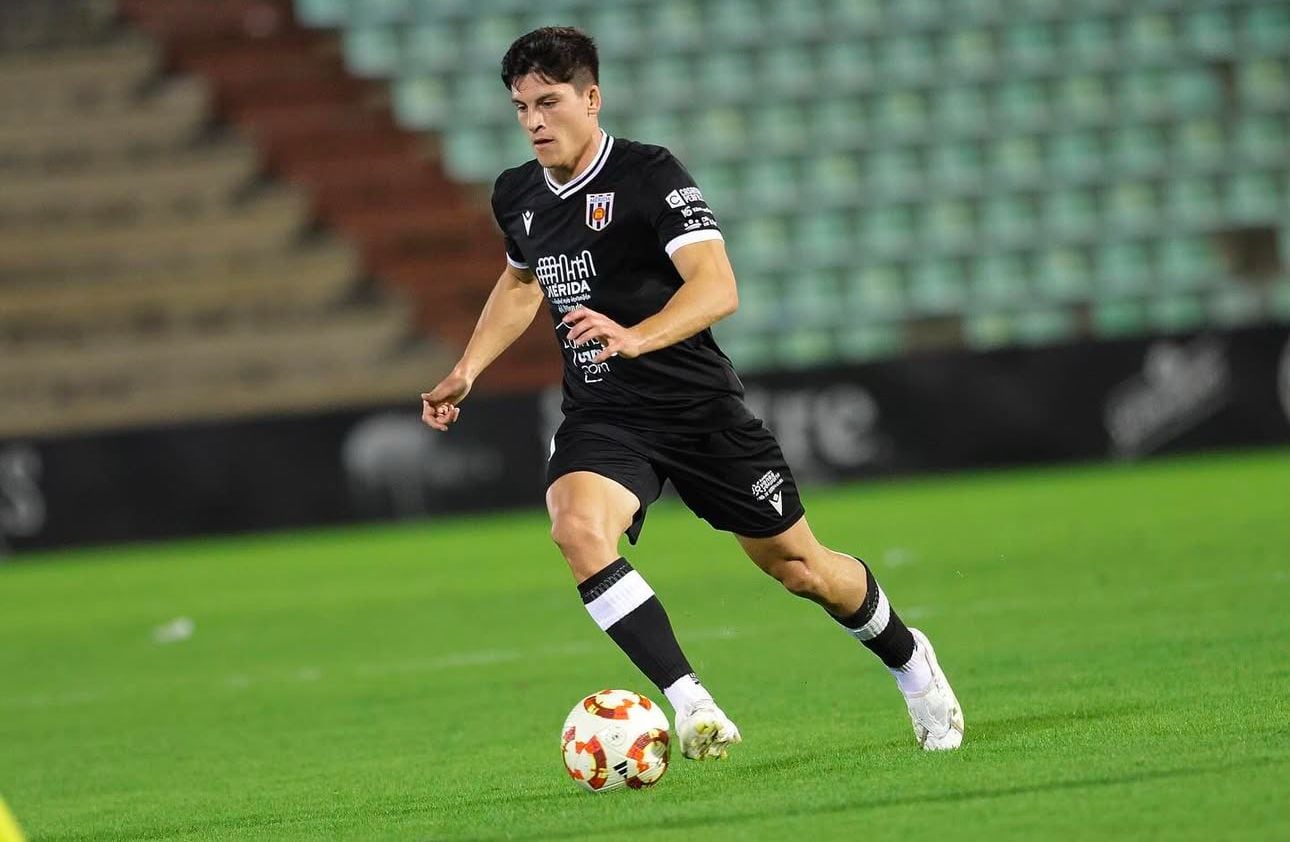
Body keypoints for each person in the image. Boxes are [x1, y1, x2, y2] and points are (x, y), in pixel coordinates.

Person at [422, 26, 963, 760]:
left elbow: (718, 285)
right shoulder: (517, 194)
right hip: (606, 414)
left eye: (548, 103)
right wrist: (470, 367)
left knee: (801, 570)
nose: (534, 122)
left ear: (591, 97)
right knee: (576, 529)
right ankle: (692, 703)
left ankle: (910, 661)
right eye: (520, 107)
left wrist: (639, 335)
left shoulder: (649, 175)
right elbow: (522, 281)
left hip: (696, 409)